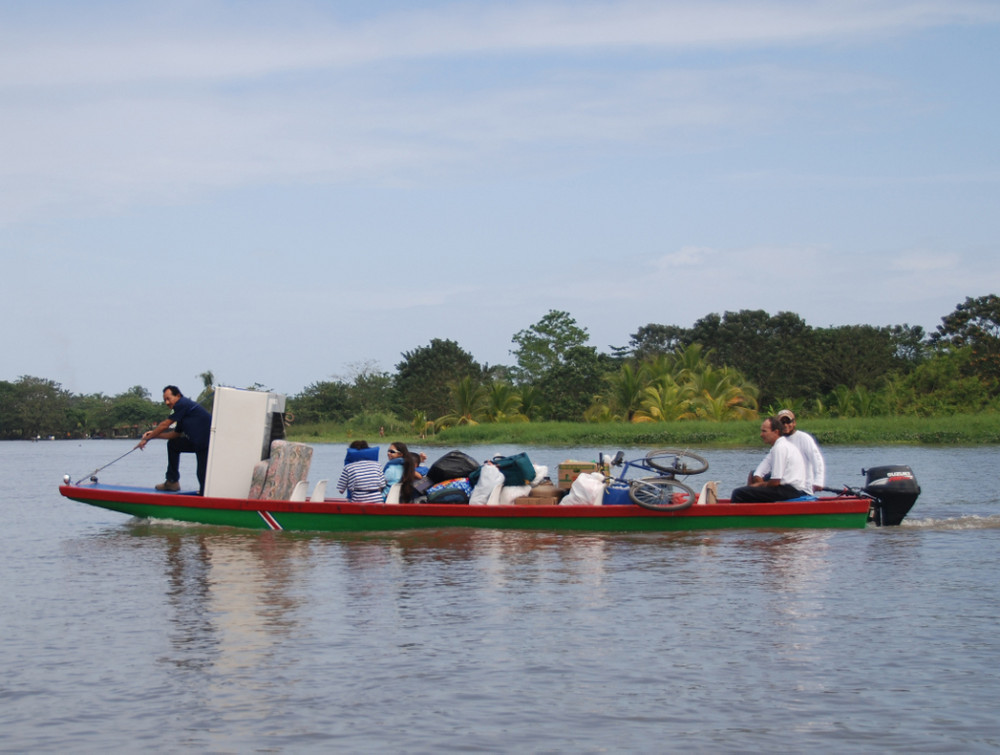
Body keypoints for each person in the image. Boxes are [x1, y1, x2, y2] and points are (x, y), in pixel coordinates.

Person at [137, 385, 212, 495]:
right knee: (174, 444)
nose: (167, 402)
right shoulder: (179, 412)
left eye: (168, 398)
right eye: (164, 400)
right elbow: (174, 434)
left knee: (202, 474)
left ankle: (206, 497)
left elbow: (165, 424)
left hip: (206, 444)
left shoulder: (182, 404)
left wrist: (148, 437)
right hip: (195, 443)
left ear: (178, 396)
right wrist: (154, 436)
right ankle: (172, 482)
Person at [730, 416, 810, 503]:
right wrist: (757, 484)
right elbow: (758, 473)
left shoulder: (780, 448)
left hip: (792, 490)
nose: (761, 435)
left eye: (764, 431)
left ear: (776, 432)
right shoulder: (778, 447)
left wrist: (760, 485)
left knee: (738, 493)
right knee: (752, 478)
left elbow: (775, 482)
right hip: (787, 489)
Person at [776, 408, 826, 493]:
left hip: (802, 488)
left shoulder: (804, 438)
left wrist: (819, 481)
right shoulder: (778, 441)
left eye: (788, 422)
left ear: (794, 423)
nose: (785, 425)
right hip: (783, 487)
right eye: (782, 422)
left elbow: (817, 460)